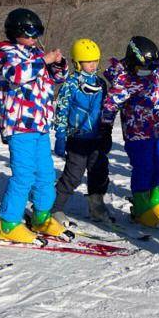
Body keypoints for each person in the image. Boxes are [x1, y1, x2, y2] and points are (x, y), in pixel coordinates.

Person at [0, 8, 69, 243]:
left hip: (40, 124)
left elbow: (57, 78)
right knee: (23, 176)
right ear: (16, 31)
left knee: (45, 174)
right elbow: (15, 75)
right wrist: (43, 60)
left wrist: (58, 64)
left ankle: (41, 216)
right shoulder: (4, 53)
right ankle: (8, 221)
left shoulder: (36, 52)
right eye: (30, 31)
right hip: (19, 124)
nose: (35, 36)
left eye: (38, 31)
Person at [102, 36, 159, 227]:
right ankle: (141, 208)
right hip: (137, 134)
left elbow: (153, 67)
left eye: (152, 68)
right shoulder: (122, 81)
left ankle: (155, 200)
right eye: (144, 69)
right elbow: (110, 107)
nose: (149, 72)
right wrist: (105, 129)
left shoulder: (152, 71)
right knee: (144, 169)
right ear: (132, 63)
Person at [50, 38, 114, 226]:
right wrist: (60, 136)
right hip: (77, 138)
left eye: (95, 60)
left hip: (96, 138)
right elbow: (62, 110)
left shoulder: (101, 84)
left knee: (99, 173)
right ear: (78, 63)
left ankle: (96, 206)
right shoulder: (70, 84)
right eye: (88, 61)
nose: (93, 65)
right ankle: (55, 208)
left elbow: (106, 110)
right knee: (73, 176)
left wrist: (107, 133)